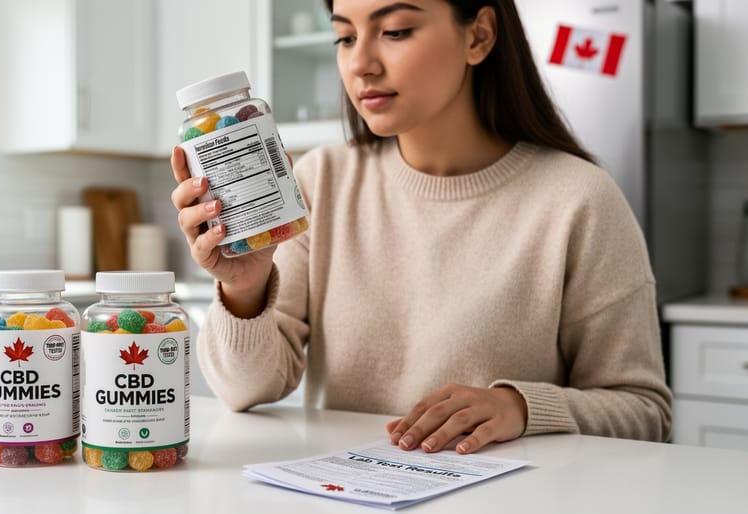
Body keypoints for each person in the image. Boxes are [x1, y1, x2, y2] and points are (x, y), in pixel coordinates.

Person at [169, 0, 672, 455]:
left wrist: (520, 409)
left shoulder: (579, 198)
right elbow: (242, 391)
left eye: (396, 31)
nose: (360, 62)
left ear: (478, 37)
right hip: (347, 492)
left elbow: (645, 411)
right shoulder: (321, 182)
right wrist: (244, 287)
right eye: (345, 37)